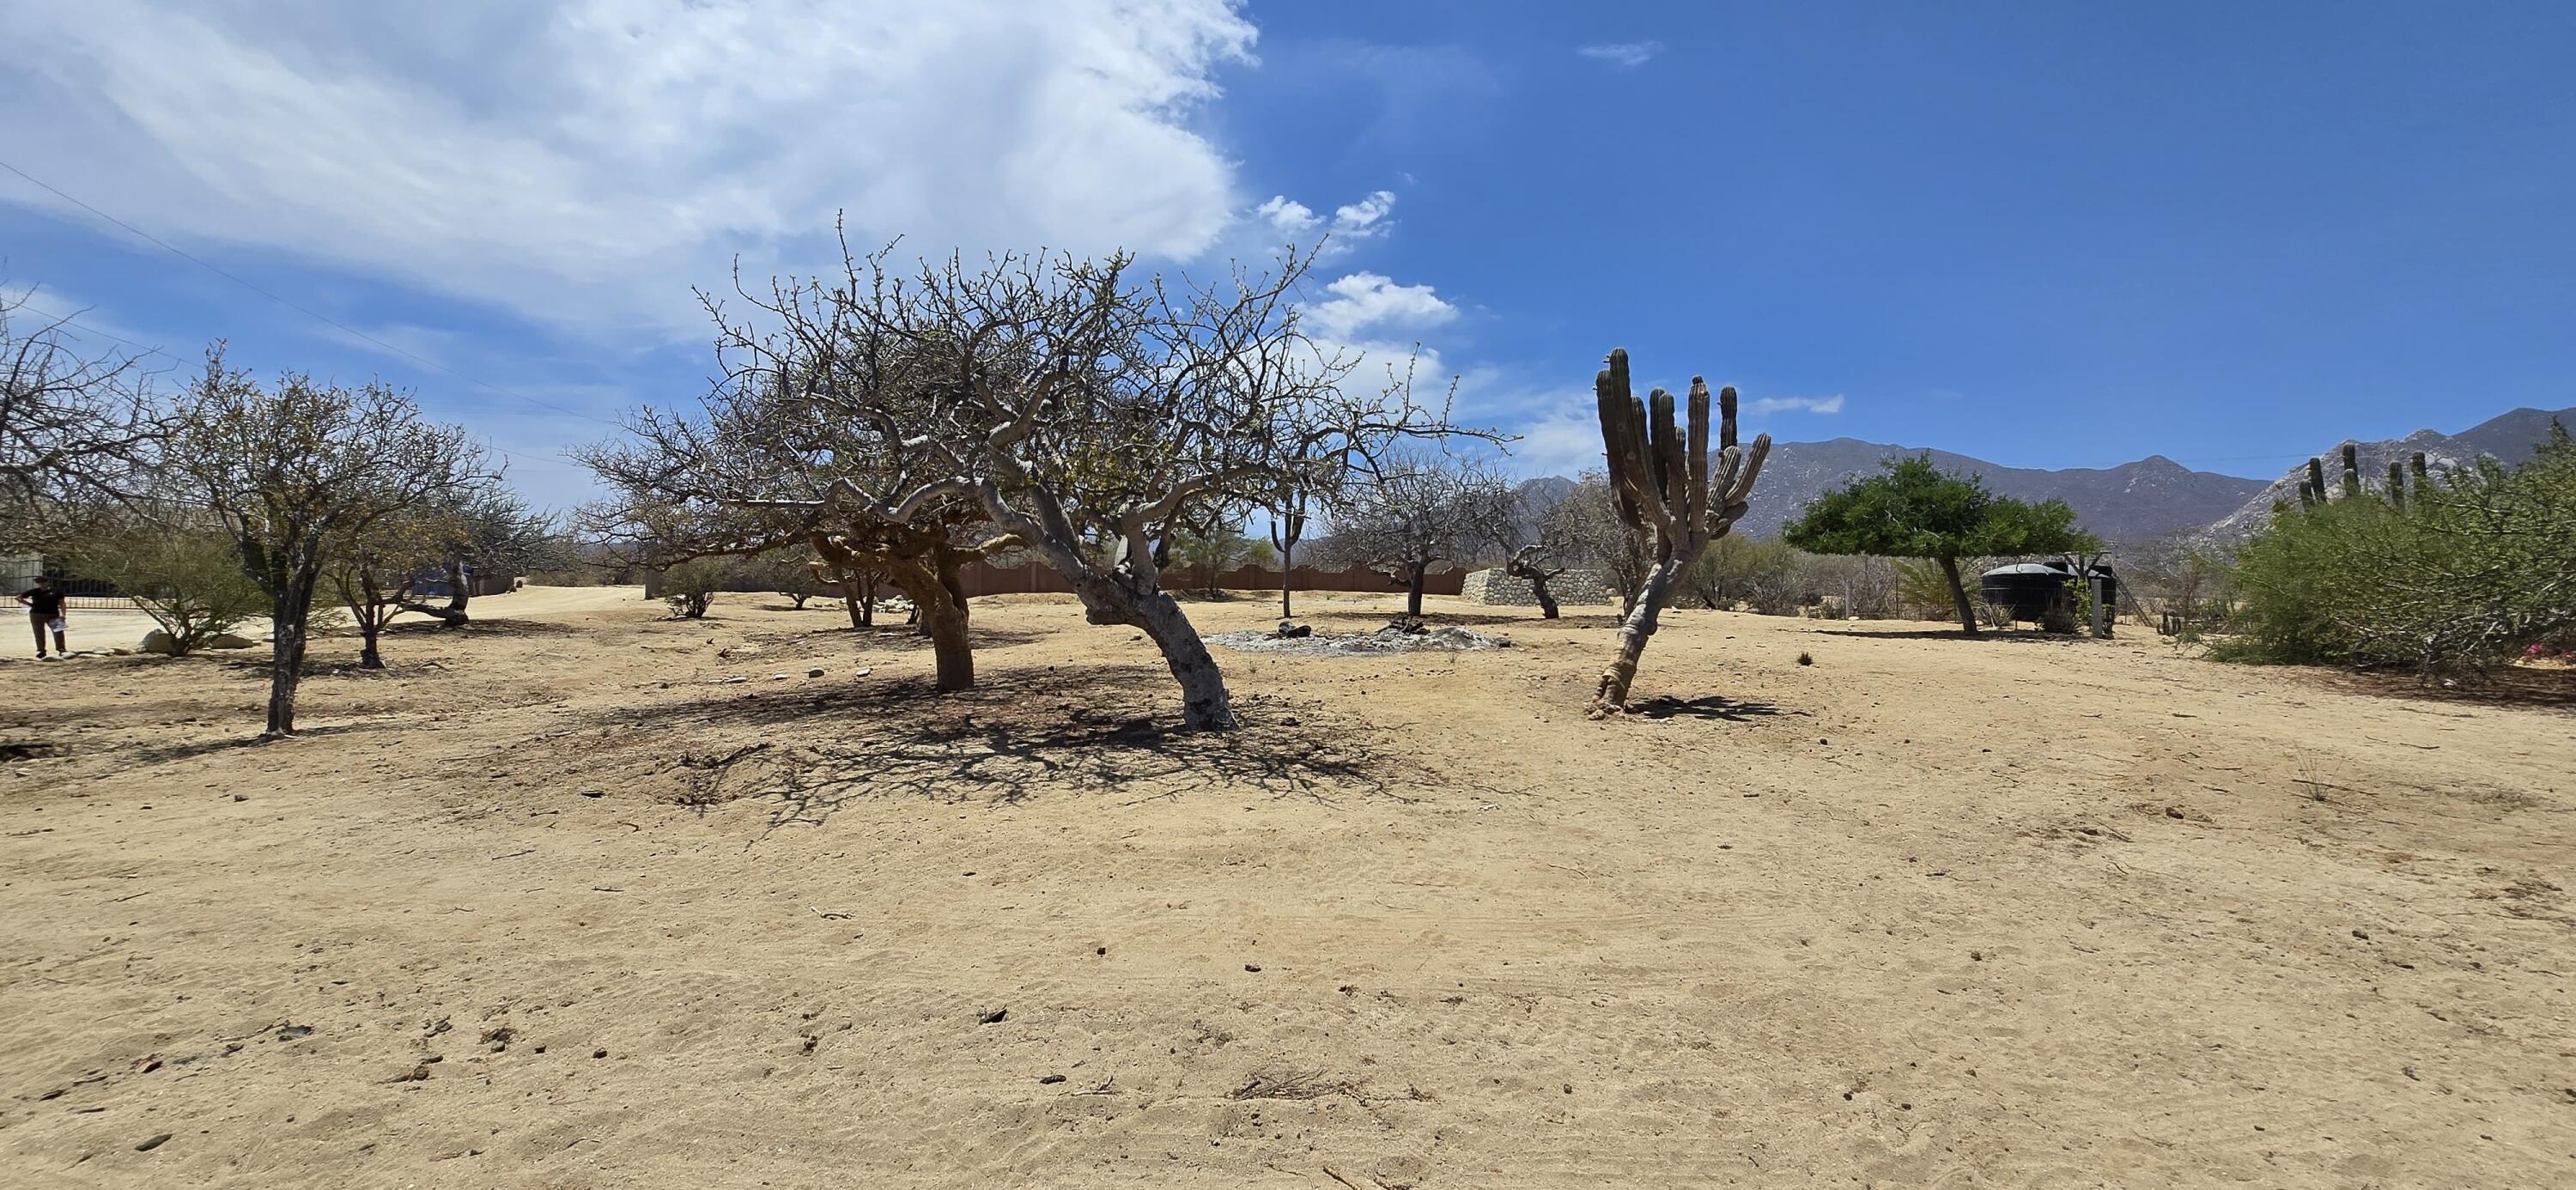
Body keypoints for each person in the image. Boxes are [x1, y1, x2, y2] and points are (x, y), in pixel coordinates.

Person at [19, 576, 67, 659]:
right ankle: (41, 650)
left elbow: (62, 603)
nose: (41, 584)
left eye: (43, 582)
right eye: (39, 582)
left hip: (53, 614)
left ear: (48, 582)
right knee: (39, 633)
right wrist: (29, 604)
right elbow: (18, 597)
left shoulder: (56, 591)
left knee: (59, 632)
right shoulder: (34, 591)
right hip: (36, 614)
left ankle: (61, 649)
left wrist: (63, 615)